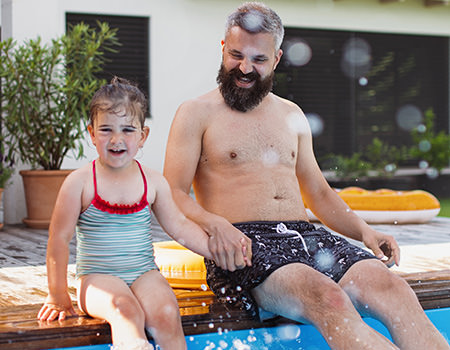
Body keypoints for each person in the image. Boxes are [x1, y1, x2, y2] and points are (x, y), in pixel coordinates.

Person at [163, 3, 449, 350]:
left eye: (258, 59)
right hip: (246, 246)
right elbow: (173, 193)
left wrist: (364, 231)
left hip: (308, 237)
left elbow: (317, 191)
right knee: (328, 298)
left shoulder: (291, 114)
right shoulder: (196, 113)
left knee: (393, 288)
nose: (245, 68)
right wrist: (215, 224)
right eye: (236, 55)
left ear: (277, 59)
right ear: (223, 48)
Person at [37, 77, 214, 350]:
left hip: (144, 273)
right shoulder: (80, 182)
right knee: (125, 310)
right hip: (96, 277)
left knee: (167, 313)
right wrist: (57, 295)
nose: (117, 139)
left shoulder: (152, 182)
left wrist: (216, 251)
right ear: (92, 134)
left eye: (128, 130)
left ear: (143, 136)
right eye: (106, 129)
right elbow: (58, 239)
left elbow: (179, 226)